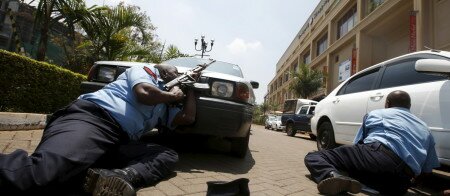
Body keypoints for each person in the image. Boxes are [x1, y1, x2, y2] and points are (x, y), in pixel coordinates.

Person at [0, 63, 197, 195]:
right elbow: (144, 93)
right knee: (41, 174)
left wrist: (191, 89)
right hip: (93, 120)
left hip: (120, 140)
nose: (177, 75)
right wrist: (172, 96)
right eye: (175, 73)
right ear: (163, 70)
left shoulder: (165, 103)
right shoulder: (144, 72)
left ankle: (116, 177)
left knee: (166, 154)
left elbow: (187, 118)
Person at [304, 90, 440, 195]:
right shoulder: (425, 128)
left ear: (387, 104)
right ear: (409, 106)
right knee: (366, 174)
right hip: (399, 184)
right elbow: (427, 171)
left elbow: (359, 144)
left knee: (315, 156)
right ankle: (353, 181)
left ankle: (332, 175)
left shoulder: (378, 114)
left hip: (378, 157)